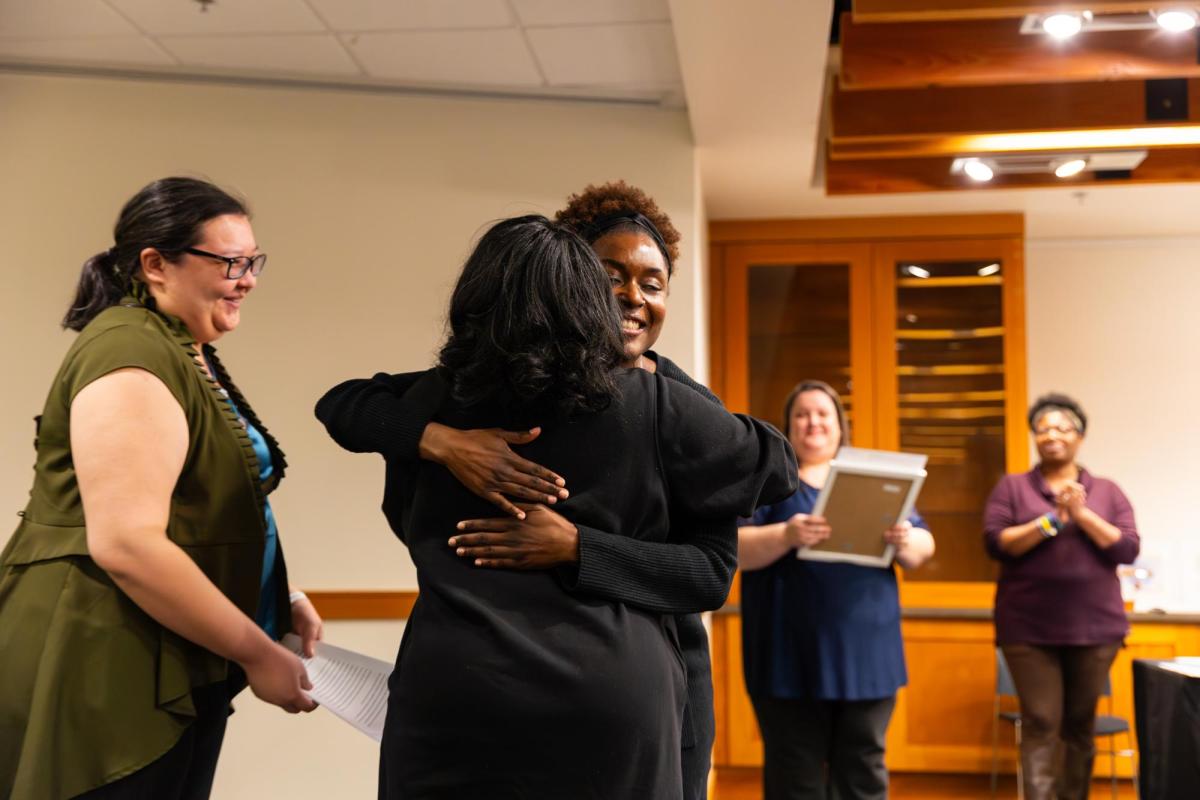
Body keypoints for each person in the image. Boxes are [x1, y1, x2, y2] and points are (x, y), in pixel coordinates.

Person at [317, 215, 797, 799]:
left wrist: (441, 441)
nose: (629, 299)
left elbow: (343, 409)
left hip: (452, 688)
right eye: (609, 278)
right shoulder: (655, 406)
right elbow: (777, 464)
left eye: (652, 283)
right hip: (607, 695)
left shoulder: (431, 402)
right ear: (580, 290)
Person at [0, 177, 322, 800]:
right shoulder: (130, 353)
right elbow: (127, 543)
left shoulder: (180, 345)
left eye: (252, 261)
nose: (247, 278)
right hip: (102, 655)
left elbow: (193, 510)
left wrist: (280, 592)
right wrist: (257, 652)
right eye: (229, 261)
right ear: (155, 264)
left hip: (159, 646)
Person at [736, 380, 935, 800]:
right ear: (788, 427)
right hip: (786, 655)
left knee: (863, 768)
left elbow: (921, 550)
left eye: (823, 414)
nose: (813, 423)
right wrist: (787, 535)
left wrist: (904, 538)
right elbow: (733, 552)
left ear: (840, 427)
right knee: (795, 774)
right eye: (802, 415)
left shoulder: (874, 480)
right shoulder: (767, 480)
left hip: (866, 653)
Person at [984, 393, 1139, 800]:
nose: (1051, 435)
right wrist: (1054, 519)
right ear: (1034, 437)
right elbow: (998, 543)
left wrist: (1082, 514)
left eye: (1062, 427)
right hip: (1027, 630)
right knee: (1039, 721)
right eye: (1043, 428)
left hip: (1095, 630)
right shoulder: (1013, 488)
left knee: (1079, 726)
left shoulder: (1107, 491)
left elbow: (1126, 548)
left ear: (1080, 436)